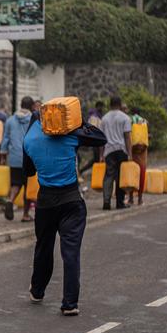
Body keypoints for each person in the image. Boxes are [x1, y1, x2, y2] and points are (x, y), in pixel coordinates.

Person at [23, 110, 105, 316]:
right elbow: (99, 137)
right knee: (70, 253)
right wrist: (77, 121)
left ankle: (37, 291)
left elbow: (29, 172)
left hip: (45, 204)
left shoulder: (29, 140)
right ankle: (70, 303)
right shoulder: (69, 134)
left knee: (43, 248)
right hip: (71, 201)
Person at [0, 97, 36, 222]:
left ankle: (10, 201)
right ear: (31, 106)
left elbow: (5, 140)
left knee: (16, 183)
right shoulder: (34, 119)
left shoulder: (10, 120)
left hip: (14, 157)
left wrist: (3, 156)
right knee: (28, 187)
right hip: (29, 157)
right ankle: (25, 215)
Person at [100, 95, 132, 211]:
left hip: (108, 151)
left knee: (108, 176)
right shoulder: (125, 118)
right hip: (121, 150)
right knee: (120, 177)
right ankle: (119, 203)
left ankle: (106, 202)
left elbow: (101, 139)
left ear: (110, 104)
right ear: (120, 104)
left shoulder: (104, 119)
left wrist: (101, 155)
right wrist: (130, 154)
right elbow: (127, 137)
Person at [78, 101, 105, 175]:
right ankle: (85, 171)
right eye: (101, 107)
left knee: (96, 159)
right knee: (96, 159)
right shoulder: (94, 117)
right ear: (98, 107)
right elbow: (93, 129)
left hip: (99, 140)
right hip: (96, 141)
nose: (102, 109)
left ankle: (82, 170)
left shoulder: (99, 116)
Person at [128, 106, 148, 206]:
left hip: (132, 152)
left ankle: (131, 198)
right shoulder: (144, 121)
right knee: (141, 175)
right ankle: (140, 199)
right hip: (143, 153)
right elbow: (147, 137)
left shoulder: (129, 120)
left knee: (132, 175)